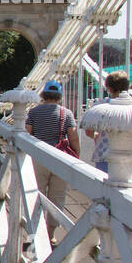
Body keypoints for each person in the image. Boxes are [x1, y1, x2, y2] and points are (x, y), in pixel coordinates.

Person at [25, 80, 80, 231]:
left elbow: (27, 133)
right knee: (57, 198)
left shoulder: (33, 112)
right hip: (59, 159)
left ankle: (36, 230)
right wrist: (76, 156)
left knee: (37, 194)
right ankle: (50, 234)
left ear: (43, 94)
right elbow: (73, 137)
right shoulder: (66, 113)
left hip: (39, 157)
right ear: (59, 95)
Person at [83, 70, 132, 180]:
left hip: (104, 154)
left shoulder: (101, 106)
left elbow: (89, 132)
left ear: (109, 88)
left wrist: (97, 136)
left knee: (105, 192)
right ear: (128, 87)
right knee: (127, 190)